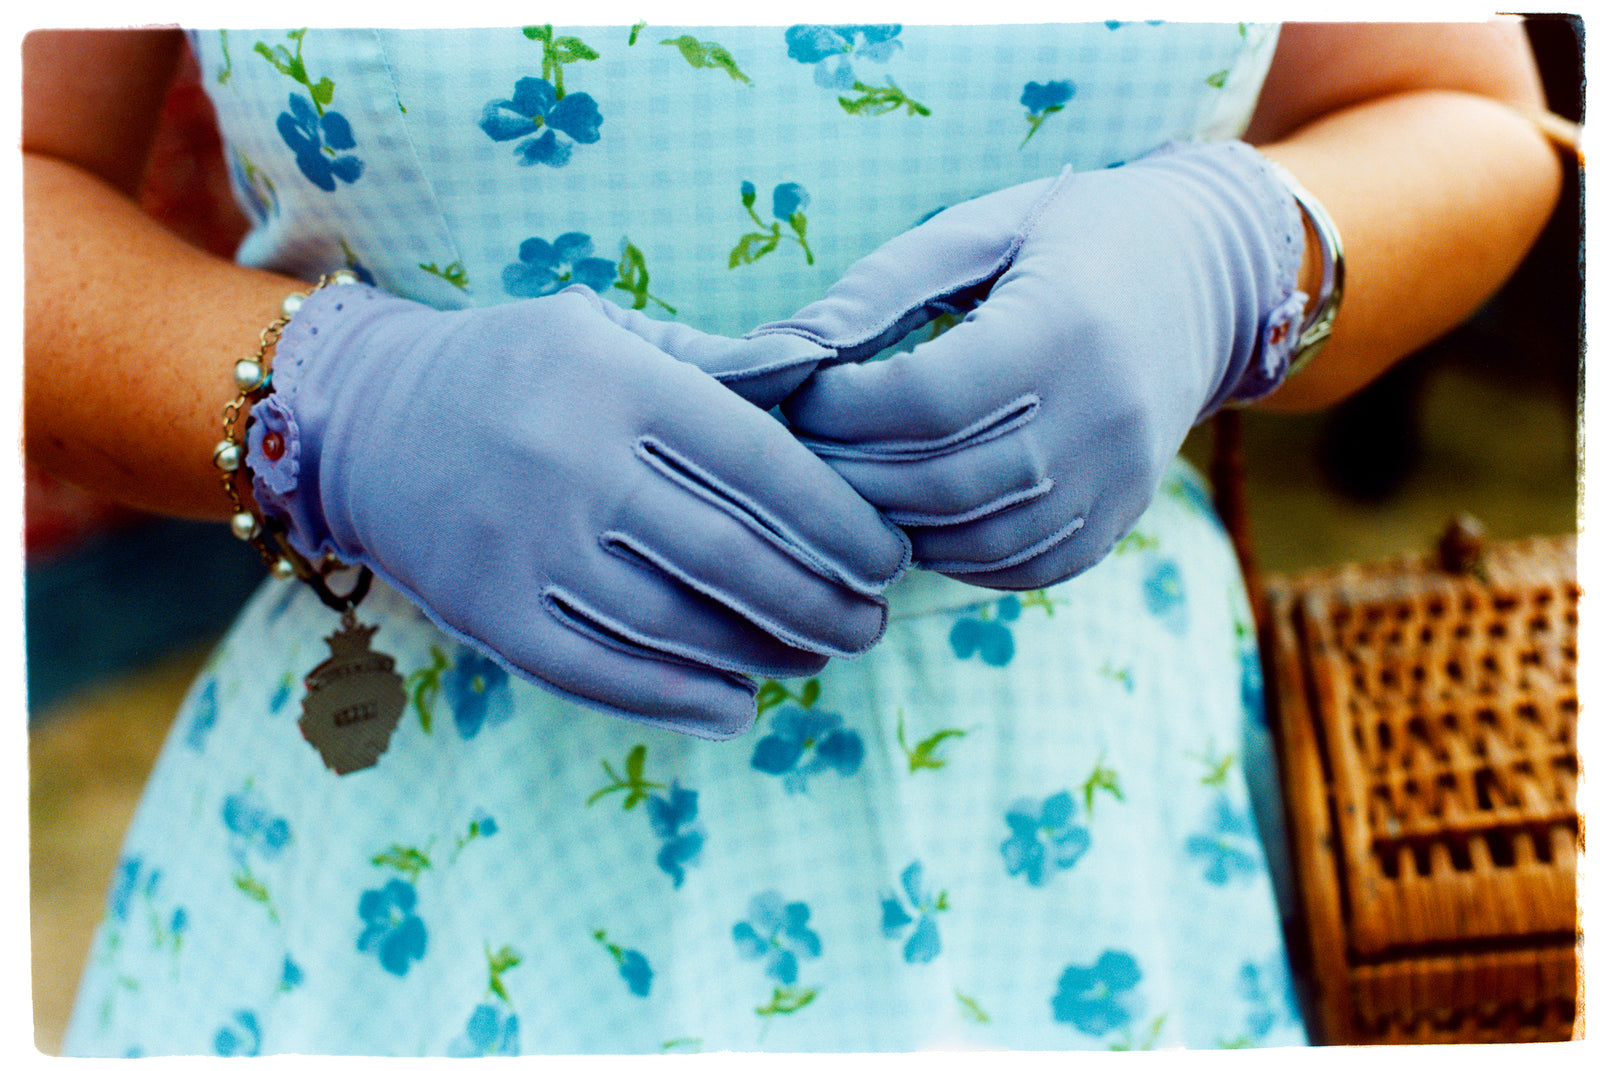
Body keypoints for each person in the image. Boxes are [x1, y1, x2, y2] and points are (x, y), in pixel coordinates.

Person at [26, 20, 1560, 1055]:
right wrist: (336, 404)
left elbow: (1466, 117)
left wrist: (1233, 256)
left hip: (1095, 836)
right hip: (406, 870)